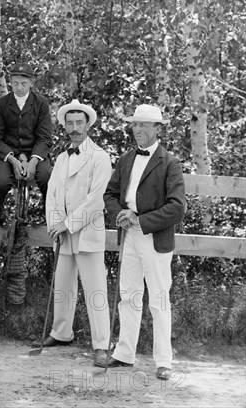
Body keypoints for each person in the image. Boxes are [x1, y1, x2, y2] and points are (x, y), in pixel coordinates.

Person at [97, 104, 186, 381]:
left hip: (154, 237)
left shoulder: (170, 162)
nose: (137, 129)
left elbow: (178, 207)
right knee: (129, 295)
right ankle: (124, 353)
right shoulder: (125, 159)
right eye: (135, 124)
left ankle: (164, 361)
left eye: (144, 125)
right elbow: (110, 194)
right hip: (129, 237)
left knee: (159, 299)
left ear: (158, 129)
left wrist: (141, 221)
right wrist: (120, 214)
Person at [43, 100, 111, 365]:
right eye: (69, 123)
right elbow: (52, 194)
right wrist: (55, 224)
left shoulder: (100, 157)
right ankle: (61, 333)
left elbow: (97, 200)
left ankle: (102, 344)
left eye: (79, 123)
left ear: (88, 125)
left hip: (87, 233)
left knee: (95, 291)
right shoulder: (61, 158)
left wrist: (69, 223)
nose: (74, 128)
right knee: (62, 286)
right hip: (62, 233)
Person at [0, 63, 53, 225]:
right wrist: (13, 160)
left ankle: (49, 214)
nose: (19, 87)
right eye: (15, 83)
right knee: (0, 182)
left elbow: (45, 138)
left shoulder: (41, 103)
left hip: (34, 153)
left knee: (47, 177)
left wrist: (33, 161)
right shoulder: (1, 104)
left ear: (31, 82)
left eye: (23, 83)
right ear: (10, 82)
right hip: (8, 154)